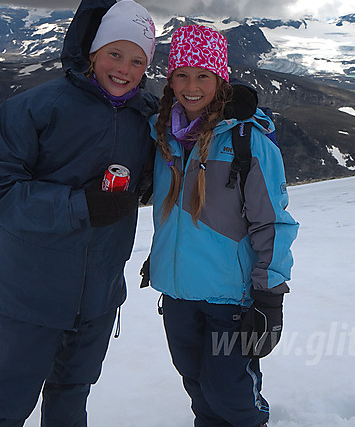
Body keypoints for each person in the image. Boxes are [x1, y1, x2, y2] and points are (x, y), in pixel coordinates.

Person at [0, 0, 158, 426]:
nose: (124, 70)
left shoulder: (143, 117)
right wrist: (80, 206)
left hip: (97, 296)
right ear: (94, 52)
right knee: (7, 399)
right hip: (29, 292)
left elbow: (176, 155)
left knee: (71, 396)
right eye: (115, 54)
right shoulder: (35, 108)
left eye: (137, 62)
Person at [145, 24, 298, 427]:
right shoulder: (162, 134)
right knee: (196, 384)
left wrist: (270, 297)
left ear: (220, 79)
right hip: (178, 293)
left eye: (203, 76)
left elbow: (273, 221)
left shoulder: (247, 140)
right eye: (182, 75)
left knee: (231, 392)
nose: (191, 86)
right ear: (170, 79)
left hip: (231, 297)